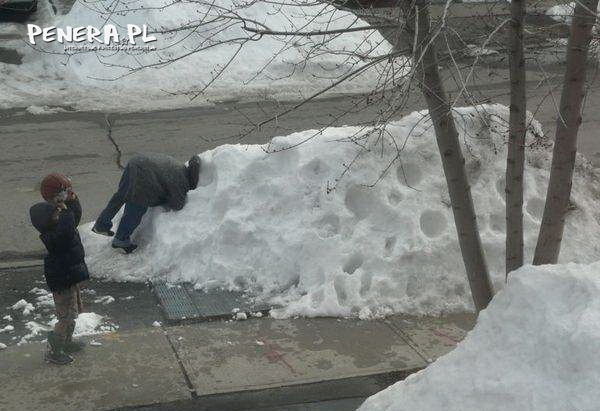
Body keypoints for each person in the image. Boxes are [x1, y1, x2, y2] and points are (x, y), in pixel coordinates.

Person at [30, 178, 89, 365]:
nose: (66, 194)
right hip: (62, 275)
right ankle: (53, 350)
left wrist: (73, 203)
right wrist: (66, 214)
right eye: (63, 191)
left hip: (69, 272)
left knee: (73, 312)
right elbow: (64, 236)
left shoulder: (61, 214)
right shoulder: (51, 220)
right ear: (54, 196)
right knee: (65, 316)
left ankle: (67, 342)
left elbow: (73, 221)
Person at [92, 153, 201, 253]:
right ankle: (121, 240)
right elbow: (177, 204)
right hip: (145, 173)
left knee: (122, 195)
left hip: (136, 161)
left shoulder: (178, 166)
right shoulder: (181, 180)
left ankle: (101, 225)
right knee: (137, 205)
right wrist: (163, 199)